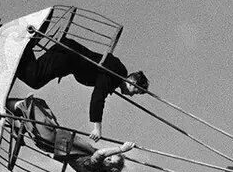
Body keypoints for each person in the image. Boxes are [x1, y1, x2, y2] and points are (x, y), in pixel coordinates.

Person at [14, 29, 148, 142]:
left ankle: (19, 54)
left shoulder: (117, 74)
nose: (131, 95)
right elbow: (98, 97)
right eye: (134, 91)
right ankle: (20, 48)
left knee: (35, 76)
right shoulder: (115, 74)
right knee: (35, 79)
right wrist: (97, 127)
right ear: (132, 82)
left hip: (67, 57)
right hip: (66, 57)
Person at [7, 96, 134, 172]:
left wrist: (121, 149)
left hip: (52, 140)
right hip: (56, 139)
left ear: (111, 169)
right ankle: (15, 121)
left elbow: (100, 153)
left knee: (29, 105)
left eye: (110, 159)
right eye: (111, 156)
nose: (108, 157)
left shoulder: (94, 166)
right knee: (38, 107)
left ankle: (8, 109)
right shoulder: (94, 167)